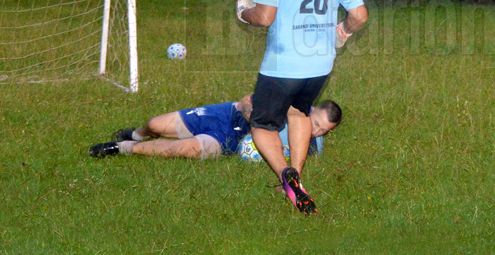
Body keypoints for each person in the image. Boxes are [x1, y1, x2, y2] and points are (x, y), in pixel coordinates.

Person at [236, 0, 367, 216]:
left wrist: (243, 13)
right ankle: (297, 179)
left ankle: (286, 174)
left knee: (262, 125)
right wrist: (342, 33)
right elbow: (359, 15)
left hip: (283, 64)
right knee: (298, 112)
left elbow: (264, 16)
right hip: (320, 65)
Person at [88, 95, 342, 159]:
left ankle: (123, 148)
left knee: (184, 149)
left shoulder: (310, 148)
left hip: (229, 140)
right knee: (154, 124)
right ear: (311, 111)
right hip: (226, 115)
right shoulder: (289, 104)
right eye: (316, 124)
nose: (316, 132)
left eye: (324, 131)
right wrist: (252, 115)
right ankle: (135, 135)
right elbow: (246, 101)